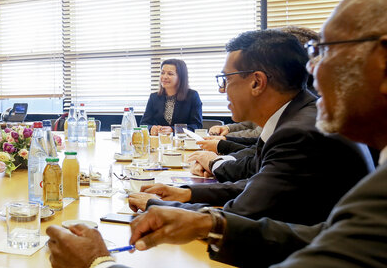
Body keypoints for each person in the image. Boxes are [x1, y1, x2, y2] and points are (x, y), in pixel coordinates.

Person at [46, 0, 387, 268]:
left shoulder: (310, 135)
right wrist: (208, 224)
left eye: (324, 50)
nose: (311, 70)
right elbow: (321, 236)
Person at [131, 29, 372, 224]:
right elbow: (256, 185)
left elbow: (241, 212)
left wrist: (156, 205)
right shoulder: (297, 116)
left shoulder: (299, 133)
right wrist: (187, 193)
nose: (222, 89)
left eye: (227, 79)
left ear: (257, 82)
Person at [139, 59, 202, 134]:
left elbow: (197, 126)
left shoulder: (192, 96)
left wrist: (173, 130)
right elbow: (144, 124)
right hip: (159, 141)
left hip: (182, 142)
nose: (164, 77)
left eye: (170, 74)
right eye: (162, 73)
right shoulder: (154, 97)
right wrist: (151, 128)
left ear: (181, 77)